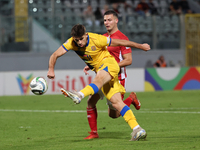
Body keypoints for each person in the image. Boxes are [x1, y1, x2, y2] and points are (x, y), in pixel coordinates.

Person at [47, 24, 150, 141]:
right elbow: (55, 54)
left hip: (109, 64)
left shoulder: (97, 39)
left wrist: (141, 46)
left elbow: (121, 42)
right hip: (102, 71)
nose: (80, 42)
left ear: (86, 35)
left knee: (98, 80)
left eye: (81, 39)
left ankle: (79, 95)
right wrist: (51, 69)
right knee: (116, 104)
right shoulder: (71, 43)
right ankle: (137, 129)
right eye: (77, 40)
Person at [82, 10, 142, 140]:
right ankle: (93, 133)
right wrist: (92, 65)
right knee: (90, 101)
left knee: (114, 114)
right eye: (104, 20)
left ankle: (131, 99)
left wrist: (111, 67)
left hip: (117, 78)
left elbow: (128, 60)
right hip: (103, 77)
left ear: (116, 20)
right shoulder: (103, 38)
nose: (106, 23)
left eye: (109, 20)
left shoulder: (122, 38)